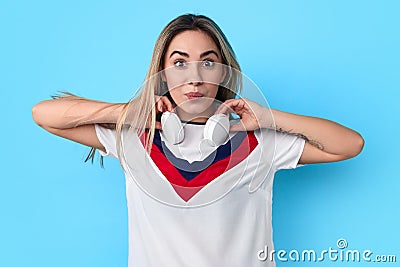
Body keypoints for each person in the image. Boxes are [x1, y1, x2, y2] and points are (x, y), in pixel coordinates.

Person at [32, 14, 364, 267]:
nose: (195, 77)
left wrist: (269, 119)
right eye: (179, 63)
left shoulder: (258, 142)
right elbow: (44, 114)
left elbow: (349, 144)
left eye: (208, 62)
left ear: (223, 72)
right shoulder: (135, 138)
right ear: (161, 72)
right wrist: (130, 111)